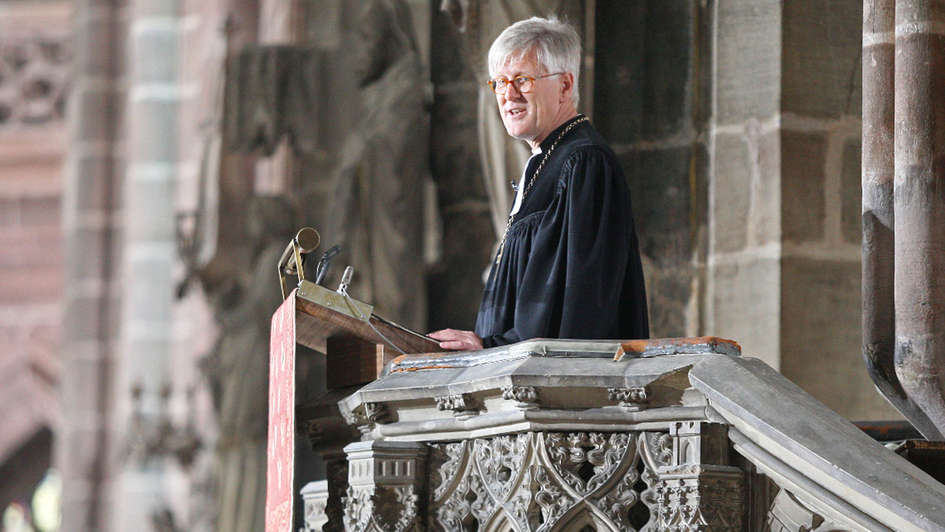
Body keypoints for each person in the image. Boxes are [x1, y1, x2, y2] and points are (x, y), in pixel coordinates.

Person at [430, 16, 649, 351]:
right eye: (500, 83)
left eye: (523, 80)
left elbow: (581, 305)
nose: (509, 95)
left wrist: (491, 346)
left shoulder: (584, 164)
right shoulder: (546, 162)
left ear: (564, 84)